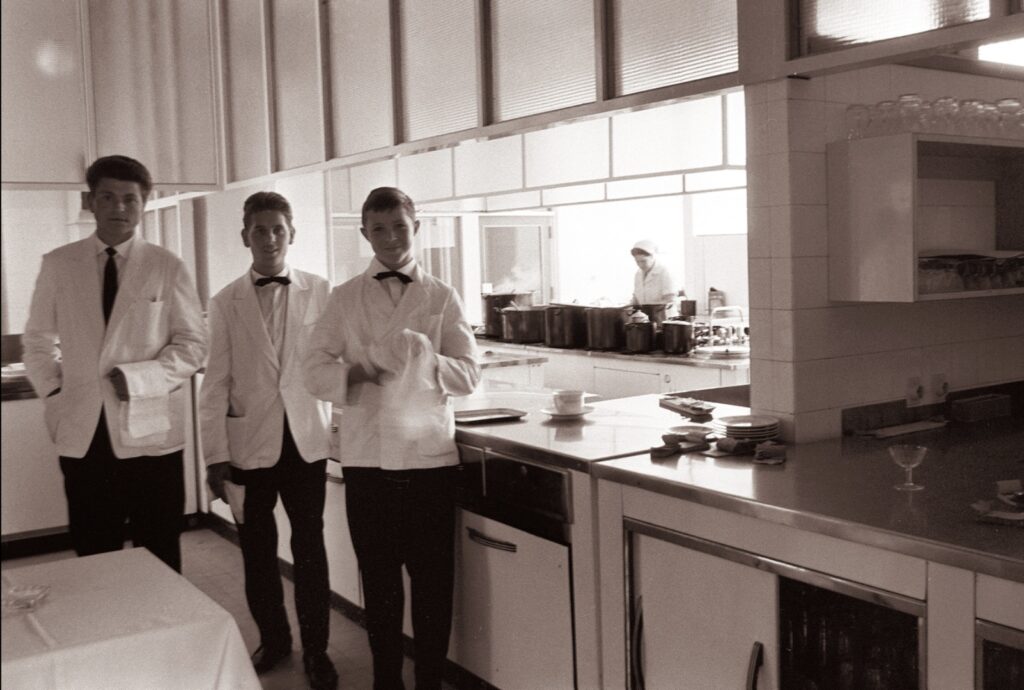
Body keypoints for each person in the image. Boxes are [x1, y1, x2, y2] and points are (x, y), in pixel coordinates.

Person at [304, 187, 480, 690]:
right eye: (378, 228)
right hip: (368, 462)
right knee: (380, 589)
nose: (390, 237)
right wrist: (358, 371)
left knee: (432, 587)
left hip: (428, 462)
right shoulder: (344, 298)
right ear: (365, 234)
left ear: (415, 227)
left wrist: (429, 358)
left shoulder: (442, 295)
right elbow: (312, 371)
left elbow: (469, 375)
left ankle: (429, 683)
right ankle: (387, 682)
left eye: (400, 226)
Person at [23, 155, 207, 573]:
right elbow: (36, 341)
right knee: (94, 552)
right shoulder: (59, 263)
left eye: (129, 199)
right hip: (84, 432)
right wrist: (55, 393)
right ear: (90, 201)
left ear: (144, 203)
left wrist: (141, 379)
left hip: (150, 433)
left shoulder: (167, 265)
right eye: (107, 197)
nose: (118, 207)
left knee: (159, 551)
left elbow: (194, 344)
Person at [199, 191, 338, 688]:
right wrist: (215, 457)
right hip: (247, 445)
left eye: (278, 229)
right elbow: (214, 383)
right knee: (257, 554)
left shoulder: (322, 290)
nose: (270, 238)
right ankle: (275, 640)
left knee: (310, 549)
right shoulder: (224, 302)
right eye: (260, 229)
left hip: (305, 442)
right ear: (246, 236)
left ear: (291, 233)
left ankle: (317, 652)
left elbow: (334, 362)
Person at [630, 239, 679, 319]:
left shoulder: (665, 272)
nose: (640, 265)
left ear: (652, 257)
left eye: (643, 261)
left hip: (664, 317)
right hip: (645, 318)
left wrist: (650, 310)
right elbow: (636, 298)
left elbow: (670, 299)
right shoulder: (638, 274)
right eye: (637, 262)